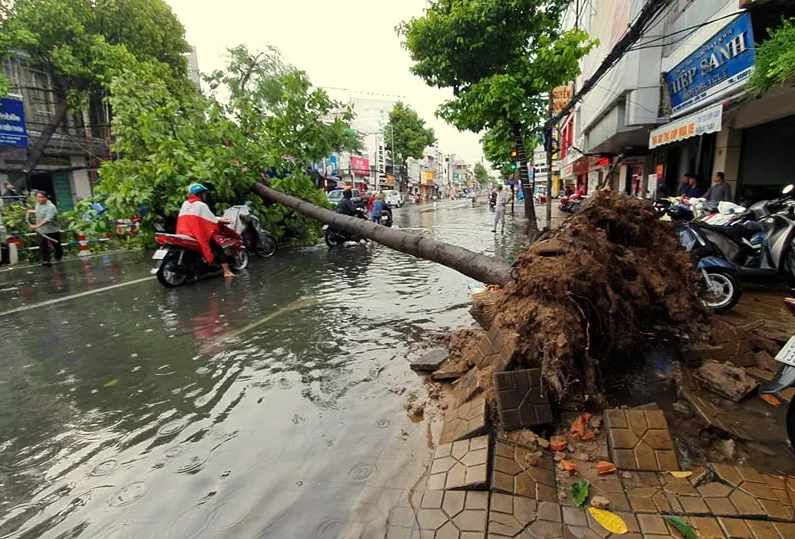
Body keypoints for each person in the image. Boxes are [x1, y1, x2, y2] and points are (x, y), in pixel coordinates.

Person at [176, 183, 235, 278]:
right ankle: (227, 271)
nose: (205, 196)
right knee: (218, 247)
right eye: (204, 194)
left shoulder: (185, 203)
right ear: (199, 194)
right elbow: (210, 220)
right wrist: (221, 221)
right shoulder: (201, 205)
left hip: (184, 233)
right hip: (197, 234)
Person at [28, 190, 63, 266]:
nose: (40, 199)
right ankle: (46, 260)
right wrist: (32, 211)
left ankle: (58, 257)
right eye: (38, 197)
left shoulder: (51, 207)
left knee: (57, 246)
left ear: (46, 197)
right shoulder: (38, 204)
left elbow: (48, 219)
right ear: (36, 198)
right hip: (41, 230)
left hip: (52, 230)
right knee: (42, 244)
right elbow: (39, 211)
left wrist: (36, 226)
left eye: (42, 197)